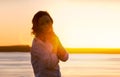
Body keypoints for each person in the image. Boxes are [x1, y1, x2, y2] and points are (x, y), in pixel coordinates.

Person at [30, 11, 69, 77]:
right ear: (37, 27)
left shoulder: (52, 39)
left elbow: (65, 57)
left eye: (48, 22)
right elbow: (49, 63)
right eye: (42, 24)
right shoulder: (37, 44)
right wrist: (55, 48)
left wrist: (58, 43)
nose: (46, 25)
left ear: (51, 22)